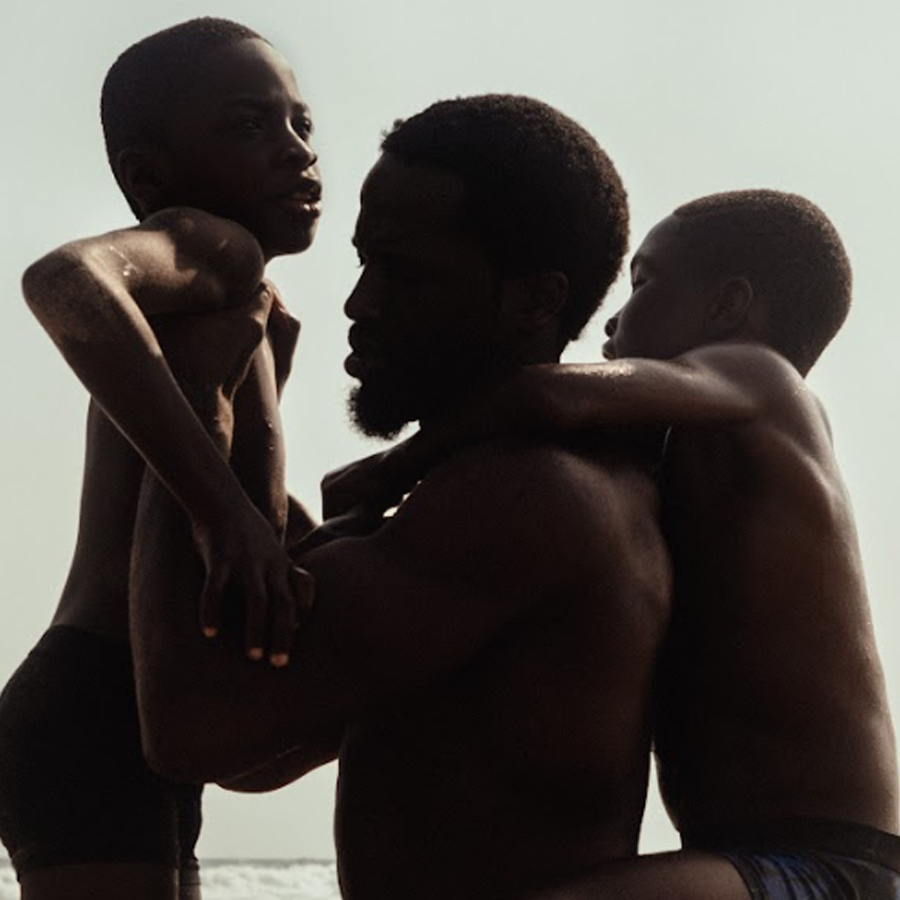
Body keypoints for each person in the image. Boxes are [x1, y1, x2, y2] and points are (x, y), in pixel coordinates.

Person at [119, 95, 673, 899]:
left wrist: (195, 402)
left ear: (535, 300)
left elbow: (188, 729)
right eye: (364, 262)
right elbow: (258, 759)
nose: (361, 304)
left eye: (405, 273)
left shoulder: (525, 497)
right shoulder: (494, 491)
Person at [327, 190, 900, 899]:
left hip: (823, 868)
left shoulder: (763, 375)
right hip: (743, 860)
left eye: (644, 281)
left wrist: (392, 467)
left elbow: (550, 397)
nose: (613, 318)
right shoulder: (684, 453)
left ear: (728, 306)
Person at [1, 17, 320, 899]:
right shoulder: (216, 248)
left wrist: (295, 534)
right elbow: (62, 281)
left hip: (129, 706)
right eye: (249, 125)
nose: (296, 151)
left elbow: (223, 498)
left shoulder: (245, 307)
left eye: (301, 123)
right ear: (150, 177)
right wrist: (225, 516)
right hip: (96, 695)